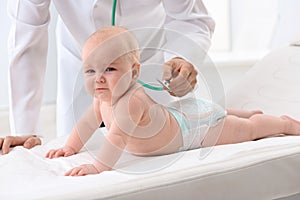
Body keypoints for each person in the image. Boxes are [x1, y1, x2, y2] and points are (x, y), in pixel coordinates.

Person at [46, 26, 300, 176]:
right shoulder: (103, 99)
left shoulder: (129, 102)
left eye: (110, 70)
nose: (98, 79)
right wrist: (70, 147)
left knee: (247, 130)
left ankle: (282, 124)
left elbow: (116, 139)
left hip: (194, 131)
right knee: (215, 111)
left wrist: (97, 167)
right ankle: (242, 113)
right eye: (90, 71)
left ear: (134, 72)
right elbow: (88, 123)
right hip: (182, 115)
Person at [1, 0, 215, 154]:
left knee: (157, 149)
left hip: (150, 61)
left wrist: (182, 57)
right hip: (80, 63)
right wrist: (26, 130)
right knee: (72, 154)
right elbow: (26, 40)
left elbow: (190, 18)